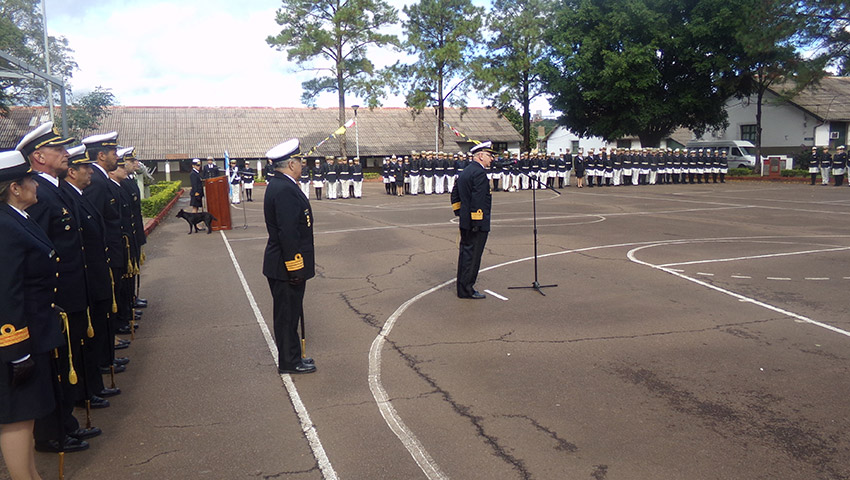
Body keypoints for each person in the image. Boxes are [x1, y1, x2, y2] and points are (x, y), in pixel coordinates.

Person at [16, 123, 102, 453]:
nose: (67, 154)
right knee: (57, 363)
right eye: (59, 150)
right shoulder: (36, 193)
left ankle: (65, 423)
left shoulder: (57, 188)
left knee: (71, 356)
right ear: (38, 156)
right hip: (56, 296)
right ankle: (52, 432)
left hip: (72, 287)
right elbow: (38, 252)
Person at [0, 149, 64, 479]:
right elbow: (6, 292)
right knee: (15, 415)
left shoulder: (18, 219)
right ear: (14, 188)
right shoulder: (4, 227)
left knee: (27, 415)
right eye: (30, 180)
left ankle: (31, 475)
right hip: (17, 339)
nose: (36, 186)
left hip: (34, 331)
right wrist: (15, 349)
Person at [262, 139, 317, 374]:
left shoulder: (283, 185)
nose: (303, 166)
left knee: (292, 313)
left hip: (285, 263)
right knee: (286, 316)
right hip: (285, 265)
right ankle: (289, 362)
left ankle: (294, 355)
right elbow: (288, 232)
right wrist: (295, 267)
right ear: (291, 164)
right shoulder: (284, 189)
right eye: (300, 162)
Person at [456, 141, 494, 300]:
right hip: (475, 224)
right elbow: (478, 200)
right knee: (472, 257)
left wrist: (460, 212)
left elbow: (455, 194)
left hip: (466, 221)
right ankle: (467, 289)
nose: (491, 159)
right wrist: (477, 222)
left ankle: (463, 287)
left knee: (465, 255)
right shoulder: (479, 173)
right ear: (480, 156)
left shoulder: (466, 171)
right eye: (489, 155)